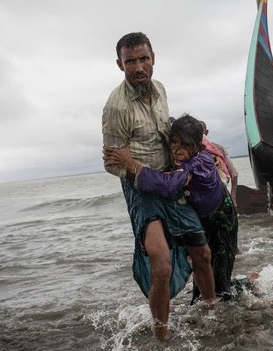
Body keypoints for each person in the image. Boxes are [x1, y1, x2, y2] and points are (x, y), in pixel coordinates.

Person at [101, 32, 215, 340]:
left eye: (143, 59)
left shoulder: (161, 89)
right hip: (142, 189)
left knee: (202, 253)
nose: (138, 66)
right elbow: (112, 163)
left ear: (153, 59)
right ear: (119, 64)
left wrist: (193, 148)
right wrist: (138, 170)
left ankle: (212, 313)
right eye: (130, 61)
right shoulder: (116, 107)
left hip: (170, 180)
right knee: (161, 265)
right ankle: (161, 337)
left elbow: (167, 133)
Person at [105, 114, 249, 303]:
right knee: (202, 278)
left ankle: (248, 285)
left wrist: (131, 164)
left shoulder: (195, 163)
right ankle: (204, 310)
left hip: (222, 219)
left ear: (197, 146)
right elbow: (163, 123)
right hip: (203, 218)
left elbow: (168, 185)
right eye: (174, 143)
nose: (178, 151)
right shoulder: (184, 156)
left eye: (185, 146)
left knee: (220, 282)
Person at [199, 121, 239, 206]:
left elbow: (234, 174)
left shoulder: (218, 149)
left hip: (217, 195)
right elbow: (234, 174)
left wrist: (233, 197)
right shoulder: (193, 149)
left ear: (206, 132)